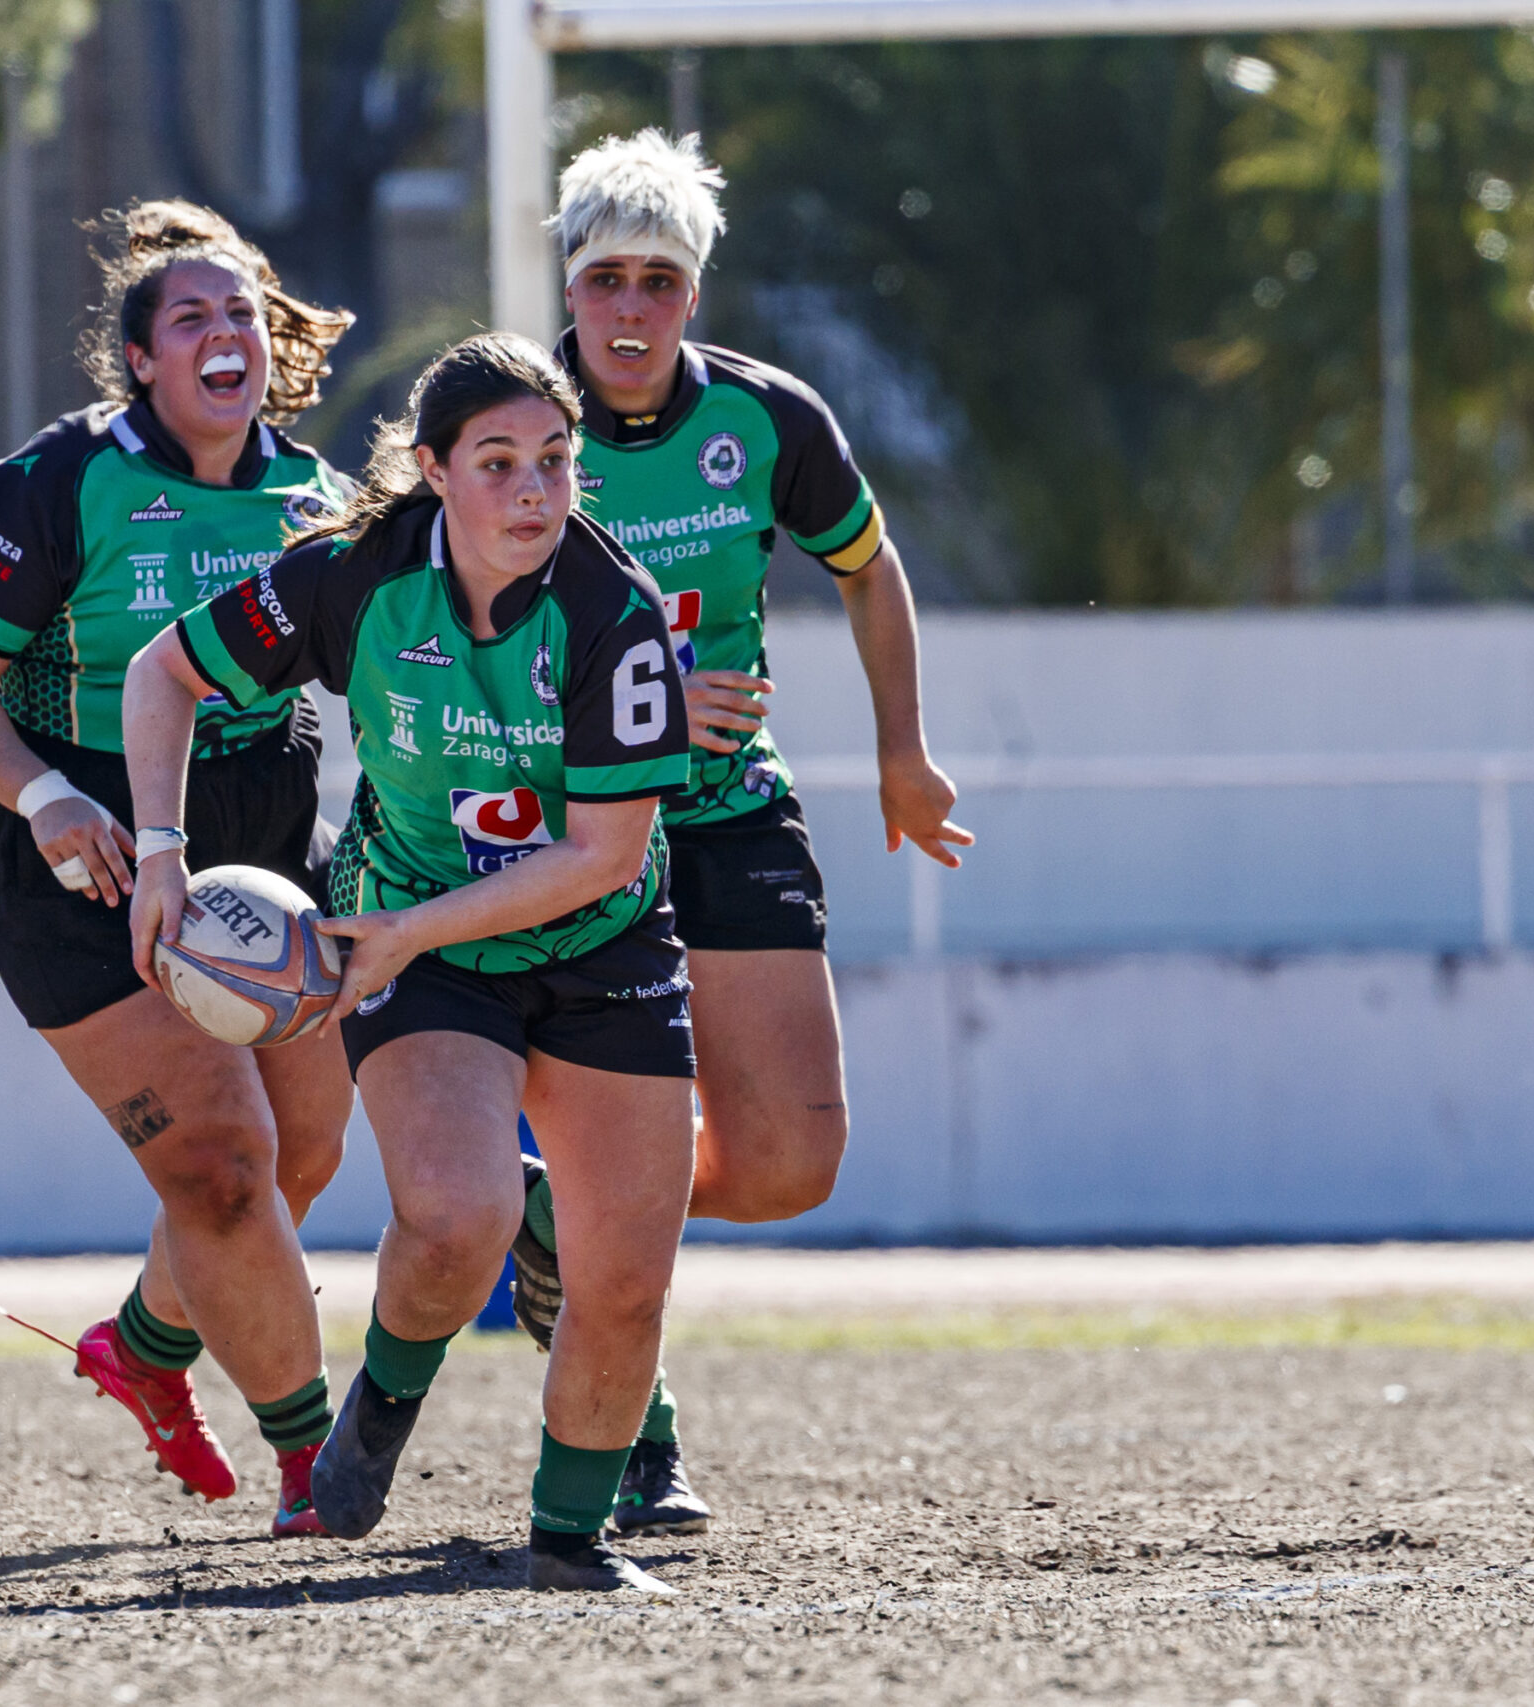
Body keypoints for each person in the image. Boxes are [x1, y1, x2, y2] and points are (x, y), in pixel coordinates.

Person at [127, 333, 696, 1595]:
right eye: (498, 463)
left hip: (597, 946)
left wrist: (401, 936)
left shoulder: (617, 614)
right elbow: (160, 671)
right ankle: (376, 1414)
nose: (536, 491)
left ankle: (569, 1541)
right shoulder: (350, 576)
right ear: (434, 471)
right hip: (419, 935)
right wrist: (161, 854)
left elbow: (607, 854)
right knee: (455, 1217)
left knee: (624, 1282)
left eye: (555, 461)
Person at [506, 129, 975, 1536]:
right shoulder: (514, 429)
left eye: (660, 279)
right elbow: (442, 636)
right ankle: (630, 1436)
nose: (633, 308)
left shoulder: (767, 420)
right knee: (630, 1153)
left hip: (728, 810)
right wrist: (628, 698)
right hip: (558, 829)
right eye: (606, 280)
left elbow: (872, 568)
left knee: (790, 1161)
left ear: (693, 292)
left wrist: (904, 753)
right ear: (570, 288)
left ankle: (559, 1218)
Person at [0, 201, 355, 1537]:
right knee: (222, 1164)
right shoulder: (58, 484)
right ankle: (315, 1467)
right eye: (194, 318)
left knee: (303, 1155)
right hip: (73, 846)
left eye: (244, 314)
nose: (227, 335)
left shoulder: (320, 503)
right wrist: (45, 796)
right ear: (143, 363)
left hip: (261, 845)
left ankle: (146, 1347)